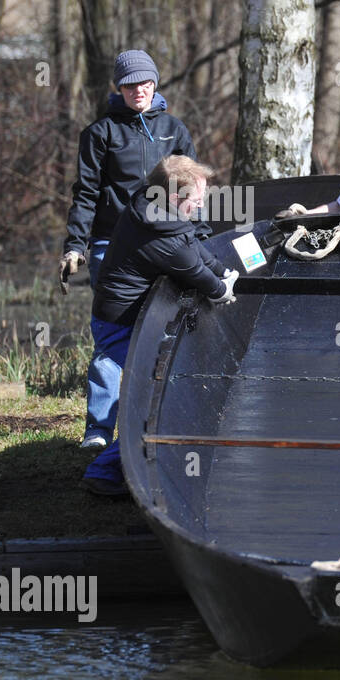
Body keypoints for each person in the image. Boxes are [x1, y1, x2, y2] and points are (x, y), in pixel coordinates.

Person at [61, 49, 197, 451]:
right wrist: (75, 245)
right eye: (131, 83)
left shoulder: (175, 130)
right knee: (113, 338)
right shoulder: (100, 134)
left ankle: (158, 422)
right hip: (111, 249)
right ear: (118, 88)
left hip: (167, 244)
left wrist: (200, 237)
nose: (139, 89)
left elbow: (193, 192)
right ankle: (99, 433)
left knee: (168, 334)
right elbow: (85, 194)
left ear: (155, 84)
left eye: (146, 81)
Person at [82, 155, 238, 498]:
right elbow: (195, 272)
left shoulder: (154, 207)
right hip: (119, 325)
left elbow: (194, 248)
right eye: (196, 200)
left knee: (161, 391)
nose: (201, 205)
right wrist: (220, 288)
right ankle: (104, 472)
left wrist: (221, 267)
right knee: (156, 396)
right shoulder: (161, 238)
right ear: (173, 198)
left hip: (127, 315)